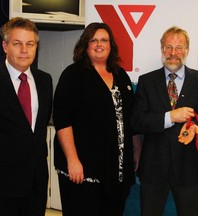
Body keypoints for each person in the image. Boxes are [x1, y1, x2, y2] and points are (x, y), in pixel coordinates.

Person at [53, 22, 141, 216]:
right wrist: (72, 159)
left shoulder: (121, 75)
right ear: (85, 45)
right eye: (93, 40)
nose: (99, 44)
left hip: (117, 170)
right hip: (83, 170)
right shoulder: (73, 75)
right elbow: (62, 120)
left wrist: (136, 149)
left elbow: (130, 118)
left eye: (104, 40)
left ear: (111, 45)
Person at [132, 26, 198, 216]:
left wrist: (196, 127)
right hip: (154, 167)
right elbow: (137, 121)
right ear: (162, 49)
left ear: (187, 50)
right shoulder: (146, 81)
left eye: (179, 48)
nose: (173, 53)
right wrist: (169, 117)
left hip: (189, 167)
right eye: (168, 47)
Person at [0, 17, 53, 216]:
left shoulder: (45, 80)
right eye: (17, 44)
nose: (24, 50)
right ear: (4, 46)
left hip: (36, 181)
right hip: (0, 183)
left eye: (30, 44)